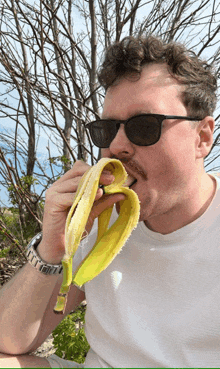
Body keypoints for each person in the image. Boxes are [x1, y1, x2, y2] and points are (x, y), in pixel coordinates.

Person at [0, 35, 219, 368]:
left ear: (202, 138)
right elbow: (8, 338)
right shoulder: (99, 222)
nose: (116, 146)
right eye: (107, 128)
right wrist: (53, 246)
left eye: (144, 126)